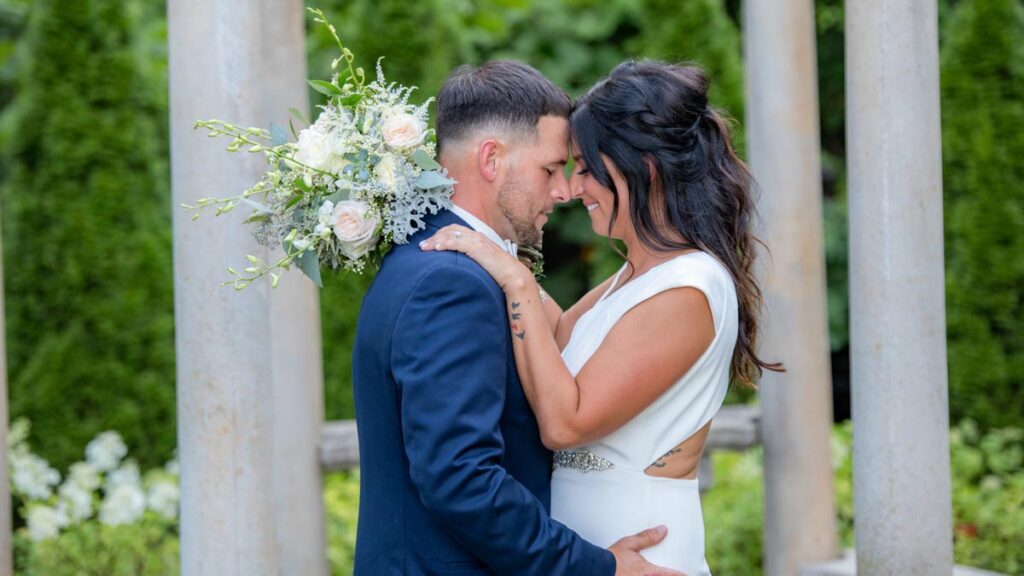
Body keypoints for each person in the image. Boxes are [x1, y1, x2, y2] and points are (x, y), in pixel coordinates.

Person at [422, 60, 782, 575]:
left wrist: (518, 279)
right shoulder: (631, 278)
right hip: (594, 550)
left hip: (644, 552)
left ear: (645, 169)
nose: (571, 189)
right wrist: (488, 240)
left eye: (588, 169)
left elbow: (566, 423)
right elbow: (554, 344)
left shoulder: (689, 286)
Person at [352, 60, 683, 575]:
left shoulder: (435, 262)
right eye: (550, 168)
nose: (563, 191)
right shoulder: (451, 283)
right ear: (491, 158)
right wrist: (598, 568)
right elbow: (461, 481)